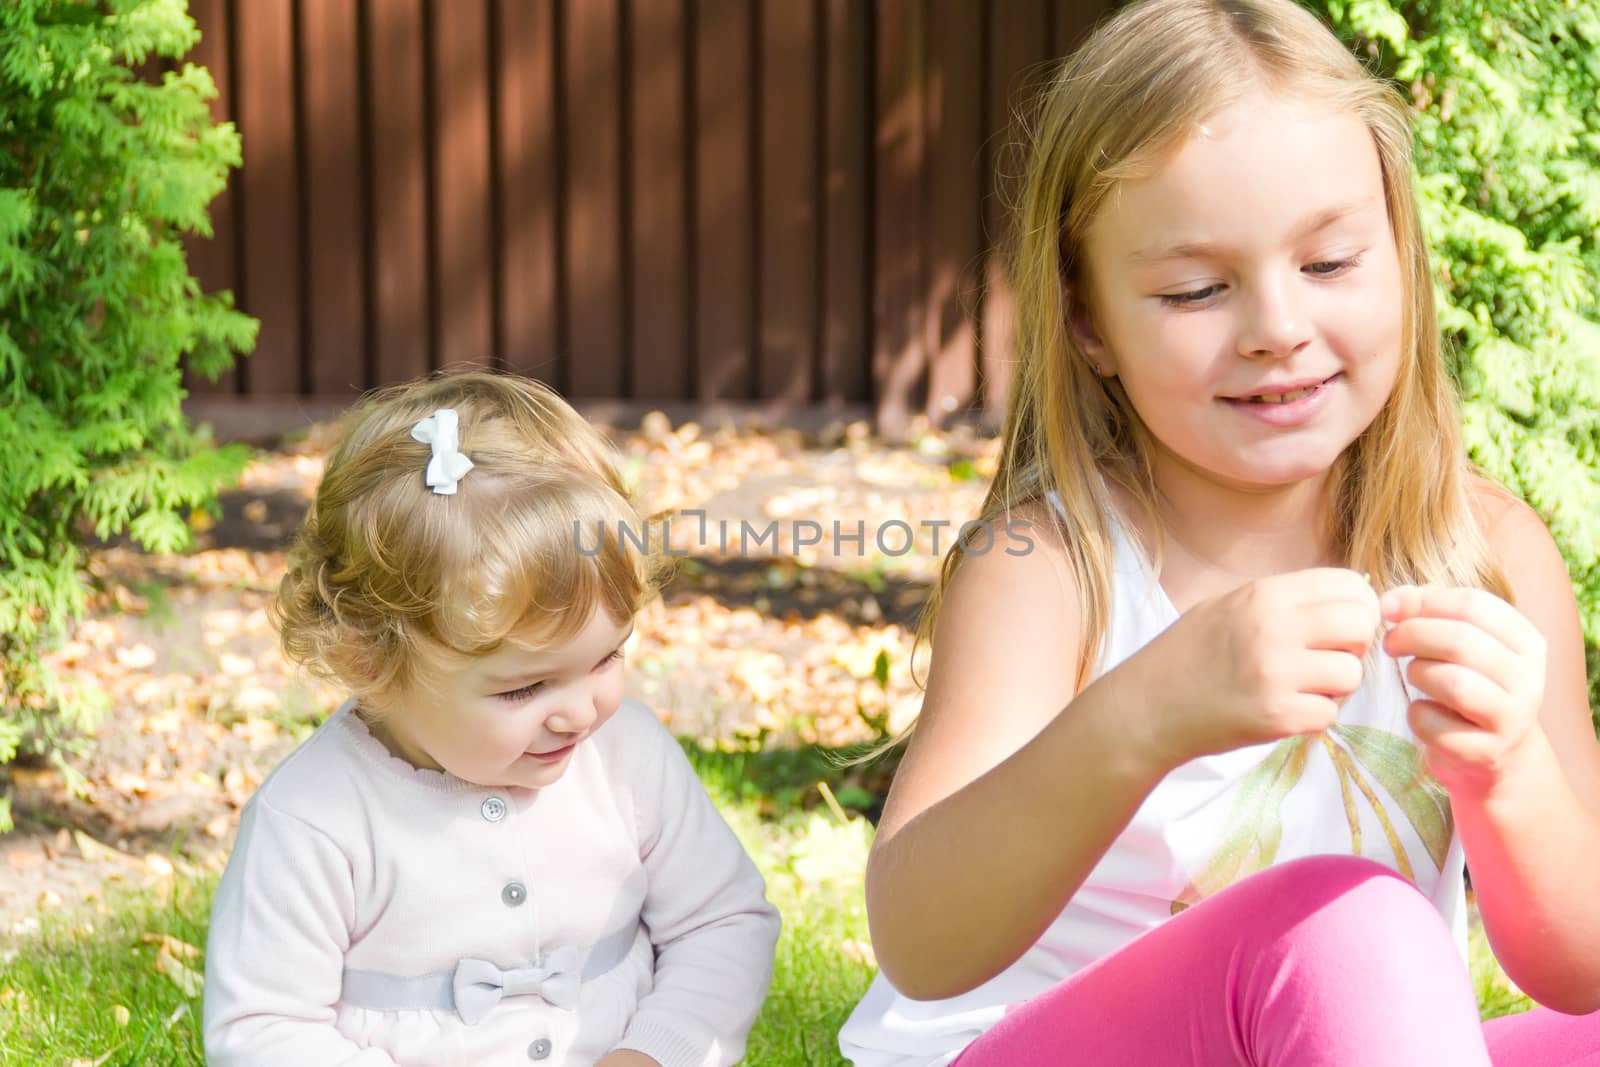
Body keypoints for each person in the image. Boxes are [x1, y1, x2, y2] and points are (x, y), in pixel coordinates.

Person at [839, 0, 1600, 1063]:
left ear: (1402, 259)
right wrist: (1146, 710)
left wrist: (1507, 770)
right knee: (1347, 920)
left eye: (1329, 263)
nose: (1278, 329)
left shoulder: (1487, 553)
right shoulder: (1052, 568)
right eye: (1197, 289)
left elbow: (1577, 967)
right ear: (1087, 317)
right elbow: (919, 938)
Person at [203, 371, 780, 1066]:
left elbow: (723, 921)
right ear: (372, 662)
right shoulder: (315, 819)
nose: (581, 711)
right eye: (524, 688)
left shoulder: (628, 759)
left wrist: (655, 1051)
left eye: (606, 658)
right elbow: (264, 1028)